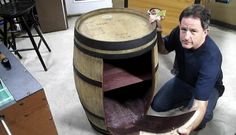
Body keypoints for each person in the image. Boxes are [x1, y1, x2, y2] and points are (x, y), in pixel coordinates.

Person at [149, 4, 225, 135]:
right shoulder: (179, 32)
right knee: (157, 105)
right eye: (183, 29)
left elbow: (200, 104)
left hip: (209, 87)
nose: (186, 36)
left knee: (198, 119)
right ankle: (189, 101)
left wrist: (186, 129)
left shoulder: (211, 57)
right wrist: (158, 30)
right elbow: (164, 50)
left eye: (193, 31)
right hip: (183, 79)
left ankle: (206, 106)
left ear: (205, 32)